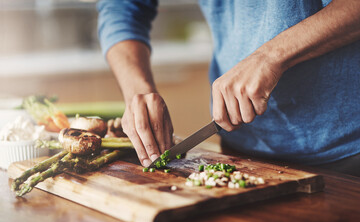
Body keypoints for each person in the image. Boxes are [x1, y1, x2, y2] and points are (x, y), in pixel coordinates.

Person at [97, 0, 360, 176]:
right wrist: (137, 90)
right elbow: (121, 6)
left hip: (348, 150)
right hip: (242, 150)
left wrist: (270, 56)